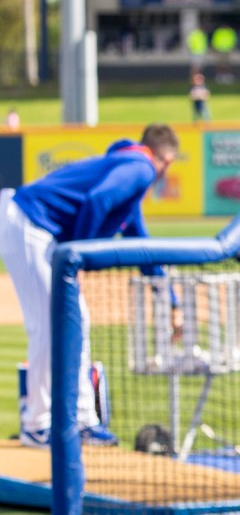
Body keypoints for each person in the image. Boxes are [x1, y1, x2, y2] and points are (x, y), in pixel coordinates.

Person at [0, 124, 182, 449]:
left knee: (75, 320)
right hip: (29, 222)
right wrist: (77, 255)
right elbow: (97, 201)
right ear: (164, 158)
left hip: (31, 226)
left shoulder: (127, 170)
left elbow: (141, 244)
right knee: (47, 325)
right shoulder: (140, 167)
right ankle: (37, 425)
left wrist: (169, 299)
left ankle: (83, 420)